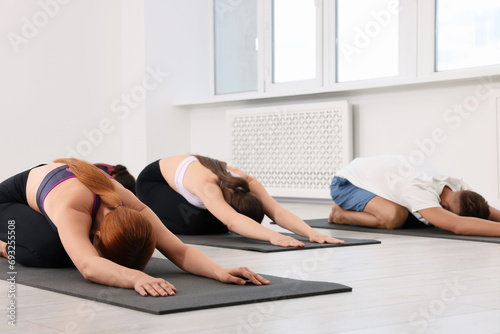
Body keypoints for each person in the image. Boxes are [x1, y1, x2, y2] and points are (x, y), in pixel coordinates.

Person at [0, 158, 269, 297]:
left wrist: (219, 271)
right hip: (8, 202)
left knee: (66, 244)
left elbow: (181, 251)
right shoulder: (73, 208)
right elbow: (89, 267)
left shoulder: (132, 206)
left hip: (51, 195)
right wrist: (137, 278)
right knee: (49, 250)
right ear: (97, 236)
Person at [135, 154, 344, 247]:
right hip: (154, 183)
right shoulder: (208, 185)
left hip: (194, 188)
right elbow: (232, 221)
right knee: (198, 222)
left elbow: (277, 211)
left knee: (216, 220)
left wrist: (312, 233)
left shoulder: (247, 183)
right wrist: (273, 236)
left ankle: (236, 220)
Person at [328, 155, 500, 236]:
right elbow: (458, 225)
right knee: (394, 217)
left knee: (414, 216)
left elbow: (484, 210)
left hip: (383, 179)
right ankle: (340, 214)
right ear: (445, 208)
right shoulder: (419, 190)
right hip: (347, 183)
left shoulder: (460, 189)